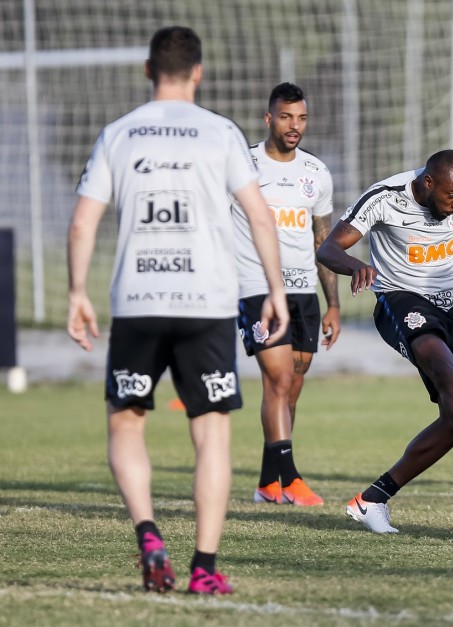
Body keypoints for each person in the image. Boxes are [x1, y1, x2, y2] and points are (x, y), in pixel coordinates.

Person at [67, 26, 289, 594]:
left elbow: (83, 222)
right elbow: (260, 217)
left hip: (138, 301)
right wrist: (275, 289)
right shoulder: (221, 133)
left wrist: (77, 293)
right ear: (198, 73)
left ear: (147, 71)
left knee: (126, 421)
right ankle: (205, 568)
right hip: (207, 301)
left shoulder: (118, 134)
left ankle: (148, 533)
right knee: (211, 433)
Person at [317, 149, 453, 533]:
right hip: (399, 301)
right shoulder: (385, 198)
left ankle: (373, 499)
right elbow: (329, 248)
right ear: (429, 182)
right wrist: (358, 266)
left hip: (451, 307)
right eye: (452, 197)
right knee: (446, 373)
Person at [232, 82, 340, 508]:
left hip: (304, 293)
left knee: (290, 388)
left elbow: (323, 241)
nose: (294, 126)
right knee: (277, 379)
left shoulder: (316, 173)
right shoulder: (242, 166)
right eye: (286, 117)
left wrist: (332, 303)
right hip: (257, 287)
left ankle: (267, 482)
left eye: (301, 118)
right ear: (268, 119)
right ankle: (291, 479)